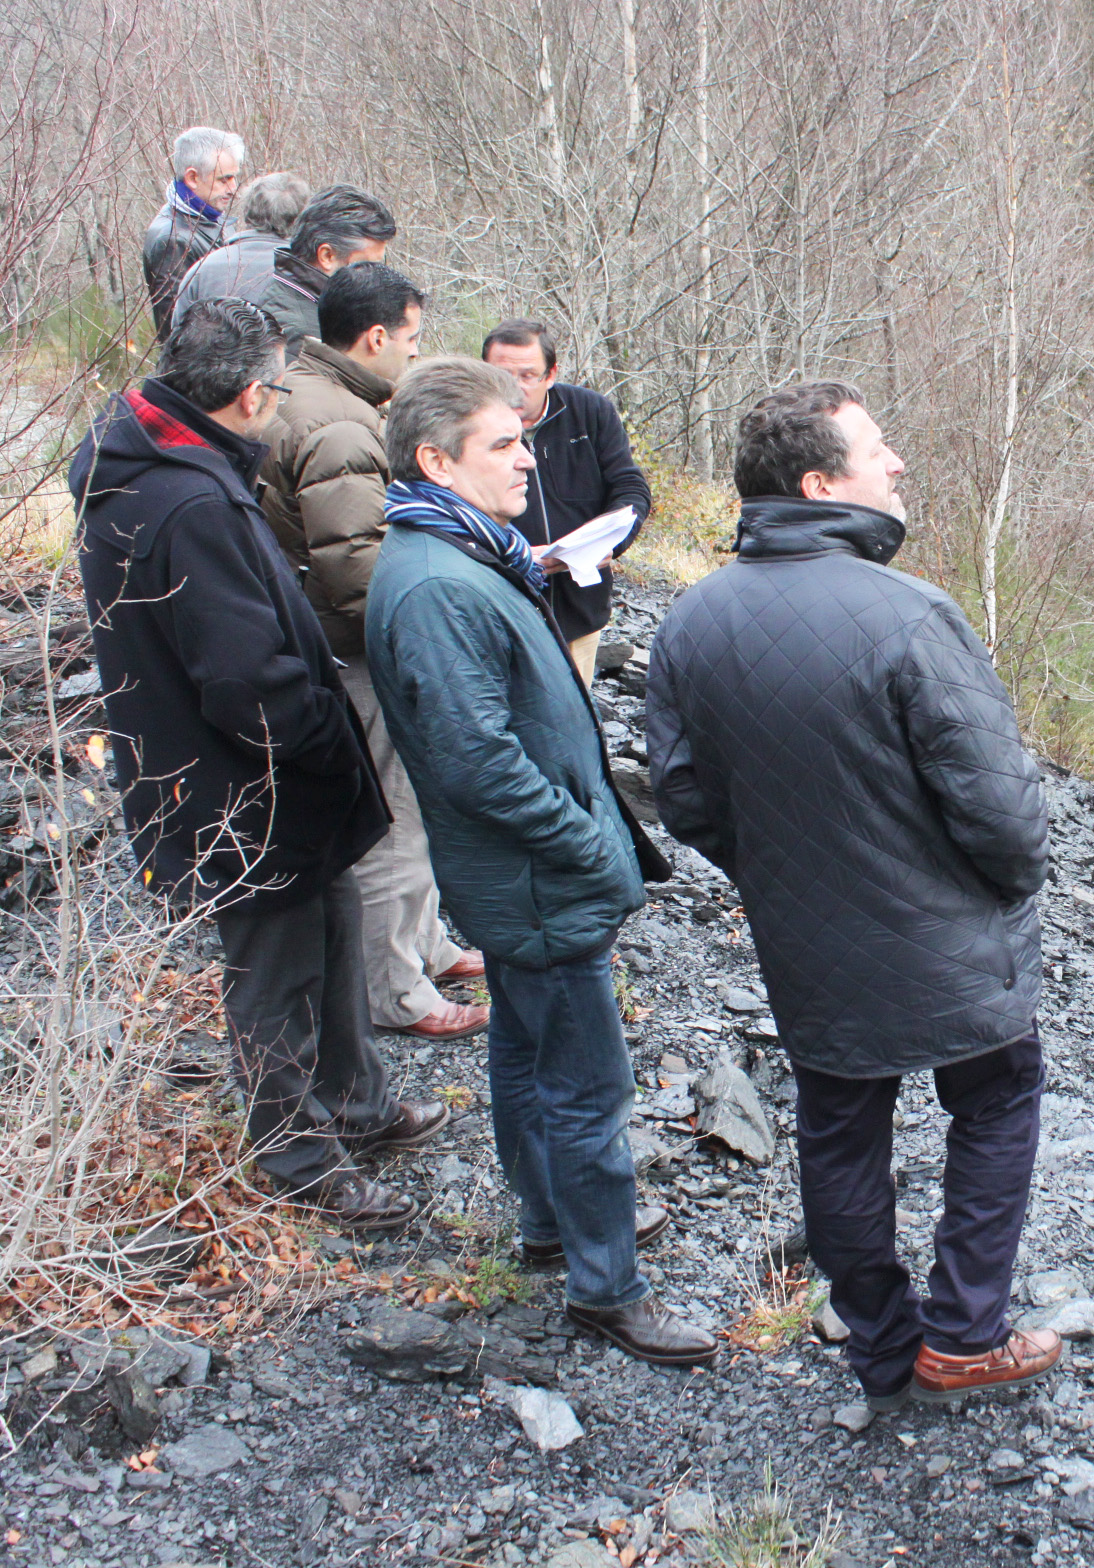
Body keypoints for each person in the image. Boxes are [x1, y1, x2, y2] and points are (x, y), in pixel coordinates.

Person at [643, 381, 1059, 1407]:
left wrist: (778, 870)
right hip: (948, 932)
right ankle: (964, 1332)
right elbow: (1004, 815)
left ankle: (879, 1334)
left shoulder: (690, 619)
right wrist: (998, 891)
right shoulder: (912, 614)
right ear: (820, 483)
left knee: (838, 1123)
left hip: (806, 933)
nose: (900, 465)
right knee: (1000, 1095)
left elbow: (684, 797)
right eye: (879, 450)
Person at [364, 358, 715, 1366]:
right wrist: (588, 837)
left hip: (524, 875)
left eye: (524, 436)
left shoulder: (460, 551)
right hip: (534, 874)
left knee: (524, 1052)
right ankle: (608, 1287)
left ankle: (550, 1225)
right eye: (504, 443)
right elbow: (478, 761)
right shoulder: (434, 582)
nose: (529, 455)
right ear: (435, 459)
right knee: (587, 1086)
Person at [69, 298, 444, 1230]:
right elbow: (246, 680)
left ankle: (356, 1101)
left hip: (232, 776)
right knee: (274, 968)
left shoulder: (163, 462)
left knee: (335, 923)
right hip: (238, 789)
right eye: (276, 386)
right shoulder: (187, 500)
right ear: (246, 397)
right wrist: (326, 738)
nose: (281, 401)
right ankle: (296, 1153)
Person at [258, 262, 489, 1044]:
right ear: (377, 336)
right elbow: (355, 567)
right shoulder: (342, 427)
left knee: (409, 808)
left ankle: (426, 947)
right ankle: (397, 989)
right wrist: (411, 652)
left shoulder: (303, 392)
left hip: (323, 640)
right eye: (413, 339)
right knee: (393, 814)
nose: (414, 356)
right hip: (353, 650)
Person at [480, 320, 654, 683]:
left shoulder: (590, 412)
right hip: (499, 609)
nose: (514, 389)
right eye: (501, 376)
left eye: (528, 375)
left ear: (551, 374)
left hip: (580, 608)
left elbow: (630, 487)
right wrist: (516, 557)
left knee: (573, 722)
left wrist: (609, 541)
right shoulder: (465, 426)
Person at [259, 185, 397, 356]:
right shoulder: (300, 336)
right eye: (366, 266)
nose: (375, 278)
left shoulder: (324, 306)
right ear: (327, 256)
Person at [170, 172, 312, 332]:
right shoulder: (312, 273)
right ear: (301, 219)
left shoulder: (201, 271)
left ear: (248, 211)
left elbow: (177, 345)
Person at [141, 127, 243, 344]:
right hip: (205, 369)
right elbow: (179, 333)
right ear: (193, 178)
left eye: (234, 177)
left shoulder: (214, 217)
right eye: (224, 179)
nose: (233, 188)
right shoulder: (171, 240)